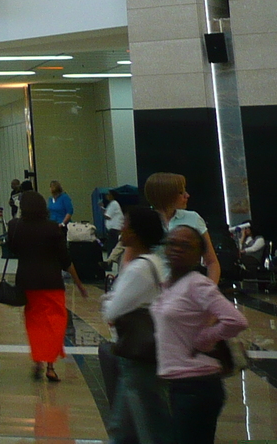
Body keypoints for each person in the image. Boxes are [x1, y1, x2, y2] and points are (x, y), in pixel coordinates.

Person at [152, 224, 248, 443]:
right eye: (172, 243)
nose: (176, 249)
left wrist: (205, 338)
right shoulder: (169, 285)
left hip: (197, 386)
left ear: (198, 256)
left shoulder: (197, 284)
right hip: (179, 385)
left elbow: (236, 320)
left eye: (186, 245)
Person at [101, 205, 170, 444]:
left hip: (136, 357)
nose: (122, 227)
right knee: (124, 427)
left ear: (137, 232)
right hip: (144, 354)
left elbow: (111, 310)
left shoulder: (139, 269)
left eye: (127, 223)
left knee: (146, 427)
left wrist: (107, 299)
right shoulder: (153, 262)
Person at [4, 190, 85, 381]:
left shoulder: (15, 226)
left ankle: (38, 360)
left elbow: (12, 249)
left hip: (27, 282)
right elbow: (65, 260)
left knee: (35, 323)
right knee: (55, 322)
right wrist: (79, 283)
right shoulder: (53, 228)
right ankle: (50, 365)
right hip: (51, 282)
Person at [145, 172, 220, 285]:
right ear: (167, 195)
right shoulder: (144, 220)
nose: (187, 195)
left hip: (185, 291)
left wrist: (208, 292)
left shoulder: (193, 218)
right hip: (151, 292)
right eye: (181, 192)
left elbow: (212, 262)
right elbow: (128, 261)